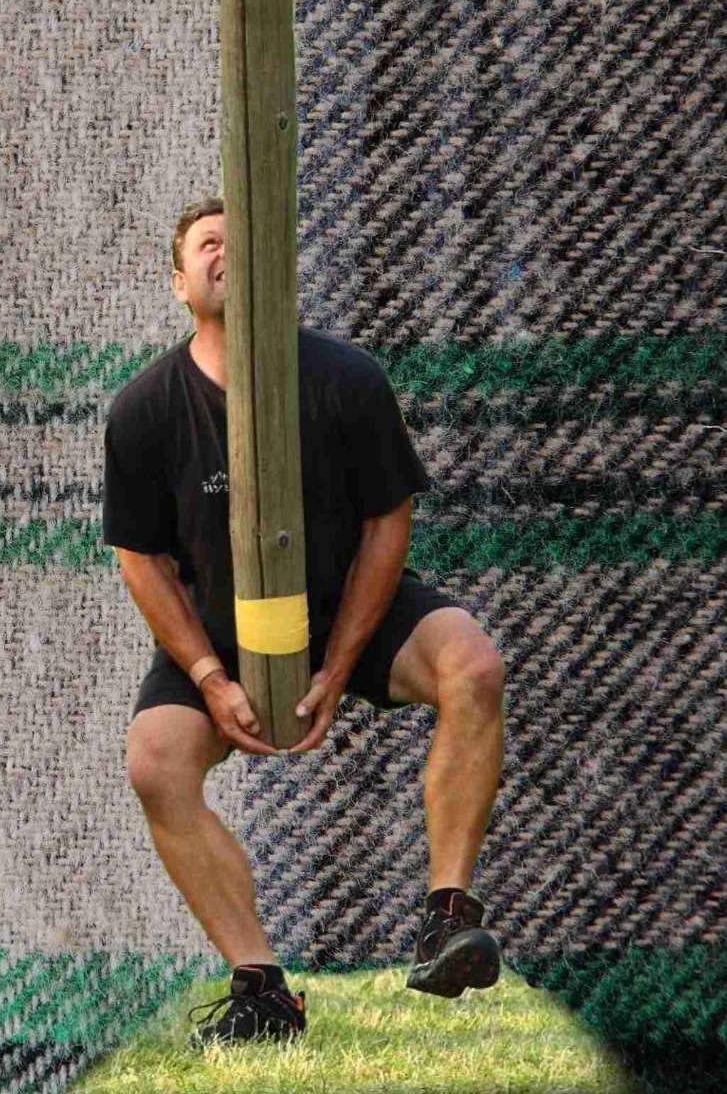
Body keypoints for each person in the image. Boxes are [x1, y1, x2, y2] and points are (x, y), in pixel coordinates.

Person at [102, 197, 508, 1047]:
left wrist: (341, 660)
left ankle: (446, 921)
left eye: (242, 241)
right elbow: (142, 560)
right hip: (220, 634)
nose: (226, 253)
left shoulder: (348, 379)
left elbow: (387, 521)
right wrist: (209, 677)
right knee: (154, 761)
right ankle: (263, 991)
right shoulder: (144, 410)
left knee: (473, 666)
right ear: (179, 281)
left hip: (350, 606)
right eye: (208, 244)